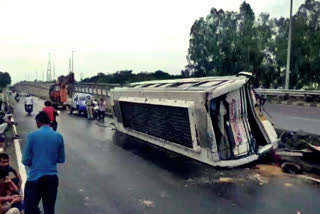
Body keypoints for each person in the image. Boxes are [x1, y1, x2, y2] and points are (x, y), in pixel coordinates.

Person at [22, 111, 65, 214]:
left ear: (38, 122)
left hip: (34, 179)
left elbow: (25, 160)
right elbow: (61, 159)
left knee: (30, 209)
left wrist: (35, 161)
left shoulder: (32, 136)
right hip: (52, 179)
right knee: (49, 209)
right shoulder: (58, 136)